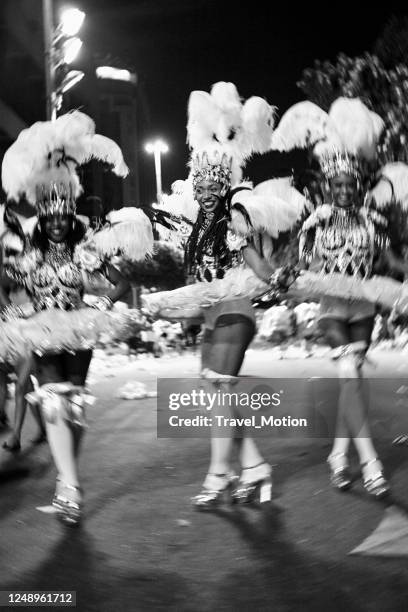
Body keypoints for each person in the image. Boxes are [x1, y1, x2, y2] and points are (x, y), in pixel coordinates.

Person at [143, 82, 308, 509]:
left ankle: (218, 476)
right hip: (213, 314)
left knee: (218, 391)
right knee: (218, 395)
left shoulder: (234, 217)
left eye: (214, 187)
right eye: (200, 187)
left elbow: (252, 255)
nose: (206, 193)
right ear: (194, 188)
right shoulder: (195, 228)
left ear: (224, 187)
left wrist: (274, 278)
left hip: (236, 311)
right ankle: (253, 467)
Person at [0, 111, 152, 525]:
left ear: (69, 218)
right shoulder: (27, 255)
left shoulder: (85, 251)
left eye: (62, 217)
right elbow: (6, 280)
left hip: (80, 330)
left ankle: (68, 477)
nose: (56, 223)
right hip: (44, 332)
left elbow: (120, 283)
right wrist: (16, 310)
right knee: (51, 404)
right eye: (49, 218)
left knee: (74, 409)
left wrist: (101, 306)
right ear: (43, 220)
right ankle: (70, 486)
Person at [271, 97, 397, 498]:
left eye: (350, 184)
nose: (344, 190)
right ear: (329, 185)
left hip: (363, 306)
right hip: (330, 308)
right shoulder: (316, 221)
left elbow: (390, 260)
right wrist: (289, 272)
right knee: (348, 374)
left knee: (352, 382)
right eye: (337, 184)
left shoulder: (373, 222)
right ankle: (371, 463)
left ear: (358, 185)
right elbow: (303, 262)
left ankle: (338, 458)